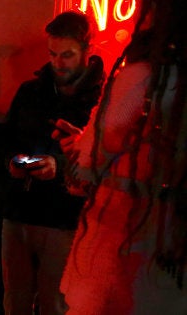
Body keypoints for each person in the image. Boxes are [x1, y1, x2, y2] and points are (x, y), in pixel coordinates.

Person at [52, 0, 187, 313]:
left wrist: (79, 148)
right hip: (172, 267)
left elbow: (81, 173)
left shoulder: (145, 78)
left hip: (116, 258)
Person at [0, 11, 104, 314]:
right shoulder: (31, 91)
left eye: (67, 55)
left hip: (65, 220)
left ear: (87, 50)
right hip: (19, 212)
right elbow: (5, 140)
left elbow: (106, 162)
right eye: (53, 54)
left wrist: (58, 165)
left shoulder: (103, 99)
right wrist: (11, 162)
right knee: (14, 302)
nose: (57, 63)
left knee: (55, 305)